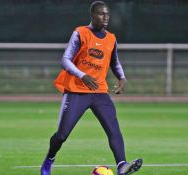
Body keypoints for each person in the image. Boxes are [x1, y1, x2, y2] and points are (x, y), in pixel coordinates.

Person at [40, 1, 143, 175]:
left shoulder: (111, 38)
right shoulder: (80, 33)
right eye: (101, 14)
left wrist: (122, 78)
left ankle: (122, 165)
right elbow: (65, 60)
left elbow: (115, 62)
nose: (106, 17)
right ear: (93, 15)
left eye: (107, 14)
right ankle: (49, 158)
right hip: (76, 91)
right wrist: (83, 75)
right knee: (62, 135)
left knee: (114, 129)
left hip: (99, 92)